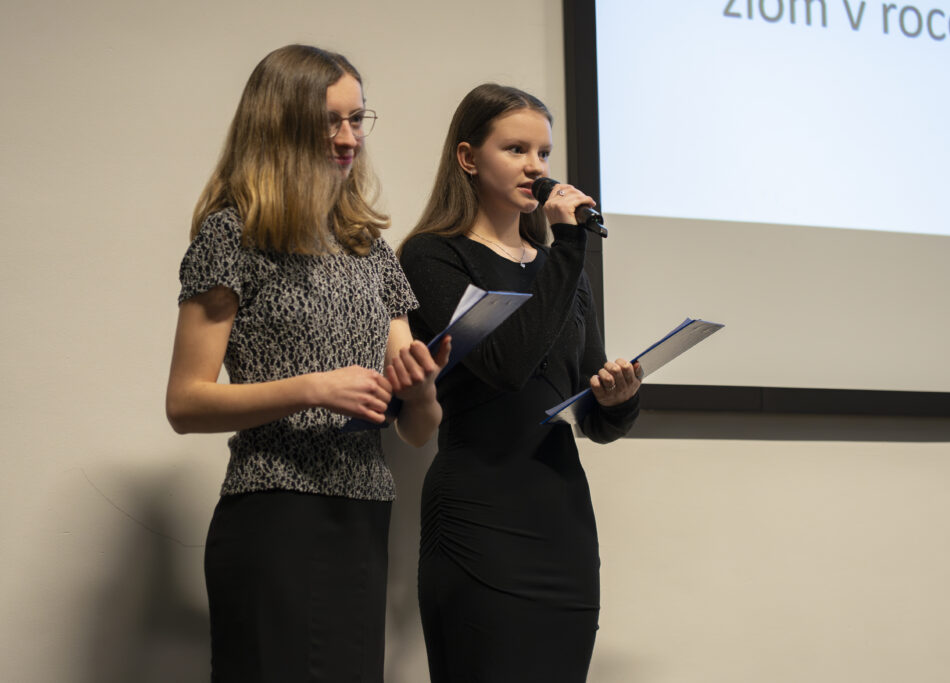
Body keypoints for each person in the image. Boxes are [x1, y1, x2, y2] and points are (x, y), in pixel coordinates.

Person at [164, 44, 449, 683]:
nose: (349, 138)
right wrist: (315, 387)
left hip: (364, 514)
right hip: (275, 513)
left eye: (357, 119)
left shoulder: (369, 248)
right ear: (280, 124)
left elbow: (417, 429)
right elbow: (185, 403)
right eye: (329, 122)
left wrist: (423, 389)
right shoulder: (232, 234)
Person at [398, 84, 643, 682]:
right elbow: (506, 365)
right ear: (468, 157)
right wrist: (569, 243)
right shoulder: (433, 257)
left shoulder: (561, 267)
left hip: (561, 523)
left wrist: (617, 399)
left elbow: (590, 412)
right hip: (478, 518)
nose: (537, 168)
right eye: (516, 150)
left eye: (544, 153)